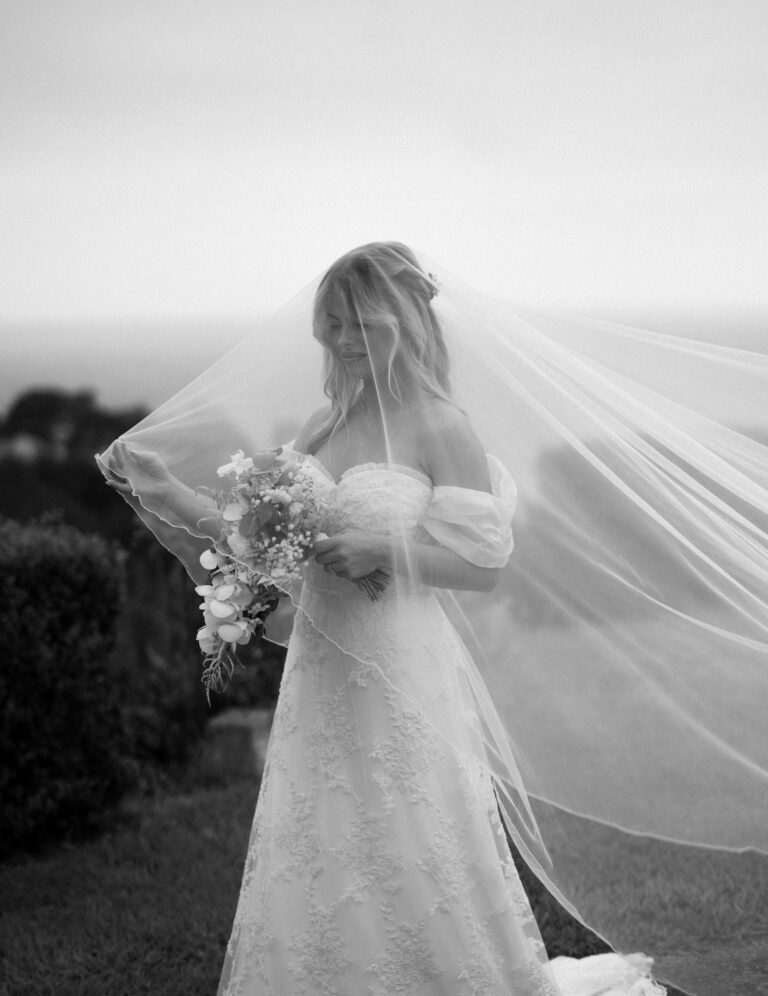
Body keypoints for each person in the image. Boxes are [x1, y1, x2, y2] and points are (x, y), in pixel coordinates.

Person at [101, 242, 768, 995]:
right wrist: (165, 492)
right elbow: (257, 542)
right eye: (333, 326)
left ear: (407, 321)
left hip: (402, 663)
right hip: (320, 668)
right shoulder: (325, 423)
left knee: (414, 833)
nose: (345, 341)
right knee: (322, 832)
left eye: (361, 323)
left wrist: (389, 547)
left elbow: (485, 565)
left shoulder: (442, 426)